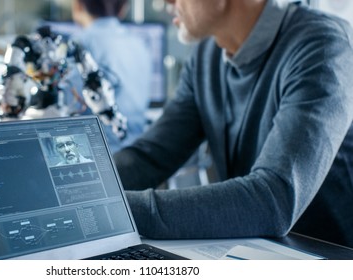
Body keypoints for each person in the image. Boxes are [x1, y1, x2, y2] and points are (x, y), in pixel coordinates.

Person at [113, 0, 353, 248]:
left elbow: (272, 200)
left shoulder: (323, 47)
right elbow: (152, 156)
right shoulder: (206, 55)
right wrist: (81, 191)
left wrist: (108, 212)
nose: (166, 2)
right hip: (255, 253)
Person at [70, 0, 152, 152]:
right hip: (136, 152)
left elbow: (70, 107)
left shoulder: (80, 44)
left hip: (99, 155)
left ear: (78, 5)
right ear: (124, 8)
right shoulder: (139, 44)